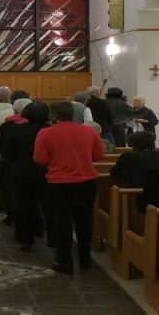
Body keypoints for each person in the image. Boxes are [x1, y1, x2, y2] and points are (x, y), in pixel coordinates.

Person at [34, 101, 106, 274]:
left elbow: (40, 159)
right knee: (84, 220)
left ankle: (65, 262)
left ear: (54, 115)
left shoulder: (45, 133)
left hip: (59, 184)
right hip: (87, 181)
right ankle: (85, 260)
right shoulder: (88, 131)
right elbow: (99, 155)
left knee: (62, 222)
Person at [0, 101, 49, 251]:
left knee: (22, 205)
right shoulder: (49, 130)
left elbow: (6, 151)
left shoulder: (17, 130)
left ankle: (25, 238)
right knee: (46, 205)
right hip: (45, 172)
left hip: (21, 172)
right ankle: (46, 234)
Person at [0, 97, 33, 225]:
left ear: (15, 110)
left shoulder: (7, 125)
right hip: (33, 165)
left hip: (10, 164)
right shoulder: (39, 126)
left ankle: (12, 215)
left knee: (10, 192)